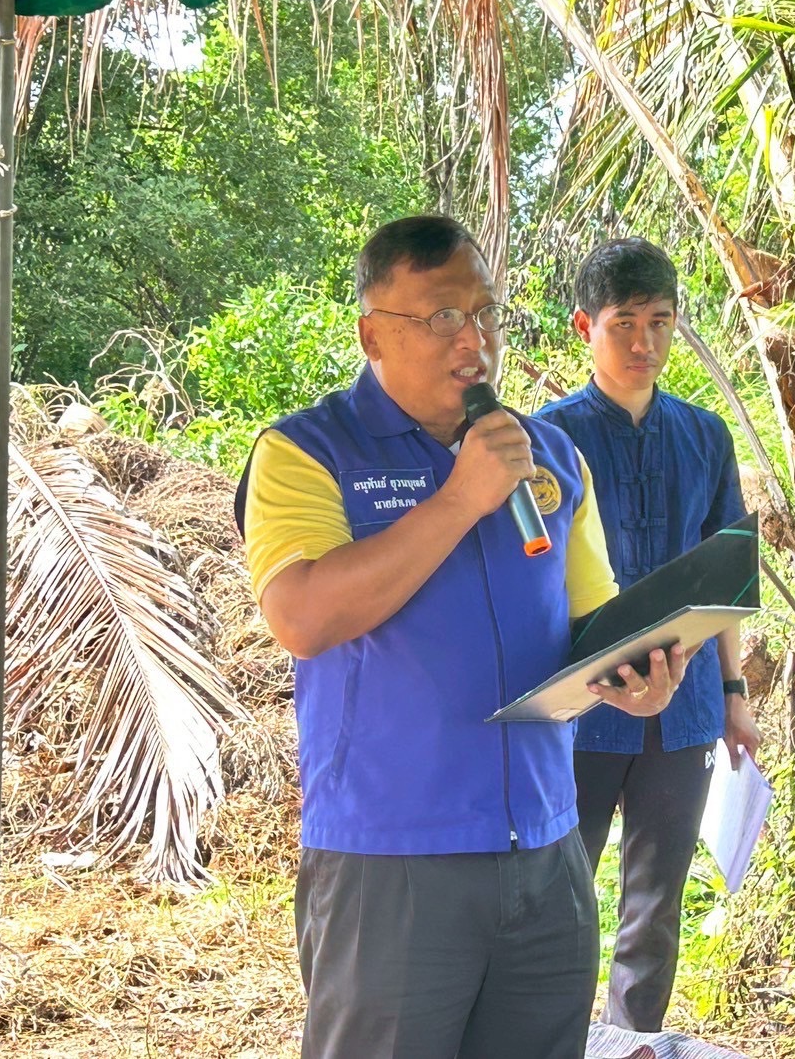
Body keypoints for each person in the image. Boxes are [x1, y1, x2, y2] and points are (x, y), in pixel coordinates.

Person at [238, 215, 693, 1059]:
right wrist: (457, 499)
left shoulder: (548, 455)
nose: (472, 340)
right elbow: (301, 618)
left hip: (548, 855)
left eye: (484, 313)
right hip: (392, 858)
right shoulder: (306, 451)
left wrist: (638, 670)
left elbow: (591, 620)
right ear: (372, 333)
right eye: (442, 317)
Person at [534, 237, 763, 1032]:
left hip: (687, 710)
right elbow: (526, 584)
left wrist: (733, 694)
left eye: (660, 322)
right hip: (580, 708)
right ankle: (551, 1040)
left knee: (655, 901)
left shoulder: (705, 437)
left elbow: (727, 580)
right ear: (582, 327)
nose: (643, 343)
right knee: (559, 894)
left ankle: (632, 1044)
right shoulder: (543, 442)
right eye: (623, 323)